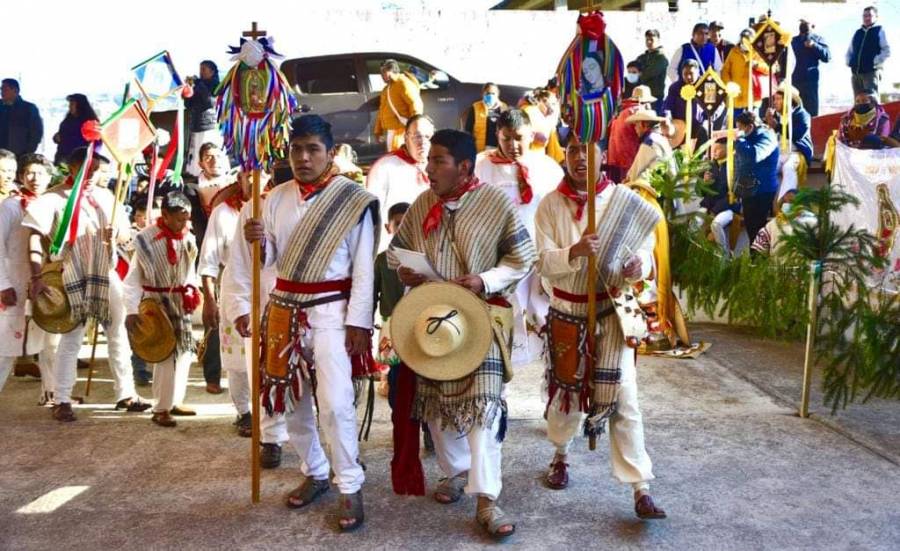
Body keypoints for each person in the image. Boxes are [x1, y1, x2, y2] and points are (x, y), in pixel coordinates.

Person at [389, 128, 536, 540]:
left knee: (484, 409)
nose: (429, 167)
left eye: (439, 161)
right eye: (429, 160)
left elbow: (523, 255)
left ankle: (487, 498)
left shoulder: (495, 203)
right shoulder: (421, 204)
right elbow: (396, 249)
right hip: (433, 318)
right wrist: (404, 269)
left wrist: (485, 279)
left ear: (464, 166)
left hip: (482, 316)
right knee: (436, 408)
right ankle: (455, 472)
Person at [238, 114, 378, 531]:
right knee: (290, 403)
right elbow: (268, 263)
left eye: (313, 149)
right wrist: (258, 243)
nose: (303, 157)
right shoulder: (272, 199)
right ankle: (315, 470)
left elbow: (365, 268)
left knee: (335, 403)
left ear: (330, 152)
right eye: (296, 149)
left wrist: (360, 323)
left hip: (333, 311)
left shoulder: (353, 200)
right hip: (284, 311)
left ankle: (349, 485)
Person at [535, 133, 664, 520]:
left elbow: (642, 255)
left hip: (610, 313)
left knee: (624, 398)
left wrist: (637, 267)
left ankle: (641, 487)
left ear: (601, 153)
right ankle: (561, 455)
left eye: (586, 148)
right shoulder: (549, 205)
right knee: (567, 395)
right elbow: (541, 261)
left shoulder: (622, 201)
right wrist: (573, 252)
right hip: (567, 313)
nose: (579, 157)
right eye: (572, 149)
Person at [24, 147, 150, 422]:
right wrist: (36, 276)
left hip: (105, 271)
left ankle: (125, 393)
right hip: (70, 272)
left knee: (118, 333)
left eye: (96, 171)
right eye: (86, 170)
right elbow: (34, 237)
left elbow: (126, 236)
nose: (92, 175)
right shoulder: (53, 198)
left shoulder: (107, 196)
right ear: (71, 168)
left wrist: (117, 233)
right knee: (72, 338)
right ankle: (62, 399)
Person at [475, 109, 561, 366]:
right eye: (506, 138)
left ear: (531, 135)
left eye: (519, 138)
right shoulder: (482, 166)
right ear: (497, 136)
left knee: (545, 324)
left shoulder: (547, 167)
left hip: (538, 256)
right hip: (499, 259)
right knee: (499, 325)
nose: (513, 145)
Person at [199, 169, 270, 434]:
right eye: (248, 175)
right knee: (238, 360)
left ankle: (269, 415)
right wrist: (209, 299)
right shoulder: (223, 213)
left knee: (268, 358)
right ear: (239, 178)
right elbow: (208, 260)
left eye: (260, 175)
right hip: (235, 289)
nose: (254, 180)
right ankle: (244, 412)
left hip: (269, 290)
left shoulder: (275, 206)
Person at [124, 191, 199, 428]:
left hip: (181, 300)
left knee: (185, 352)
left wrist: (194, 291)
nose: (184, 224)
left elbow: (189, 270)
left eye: (187, 219)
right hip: (156, 303)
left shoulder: (189, 237)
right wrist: (131, 310)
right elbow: (133, 278)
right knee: (164, 355)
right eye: (179, 219)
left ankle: (176, 400)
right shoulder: (145, 240)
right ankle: (161, 408)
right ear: (165, 215)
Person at [0, 154, 58, 403]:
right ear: (22, 176)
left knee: (51, 343)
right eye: (30, 173)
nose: (35, 179)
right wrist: (3, 284)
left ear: (50, 177)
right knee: (6, 349)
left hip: (46, 284)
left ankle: (53, 393)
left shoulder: (52, 203)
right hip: (14, 283)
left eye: (41, 173)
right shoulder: (10, 206)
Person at [366, 114, 434, 250]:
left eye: (428, 137)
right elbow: (371, 214)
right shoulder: (385, 166)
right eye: (417, 136)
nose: (422, 142)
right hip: (393, 248)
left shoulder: (437, 166)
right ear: (406, 137)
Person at [761, 85, 813, 199]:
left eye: (779, 99)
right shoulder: (774, 116)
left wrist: (777, 126)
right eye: (774, 99)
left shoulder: (802, 114)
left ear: (790, 100)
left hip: (796, 153)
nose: (775, 102)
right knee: (766, 168)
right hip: (778, 153)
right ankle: (766, 204)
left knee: (789, 168)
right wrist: (765, 124)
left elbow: (798, 134)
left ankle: (784, 205)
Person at [733, 111, 779, 242]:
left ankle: (760, 259)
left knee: (758, 228)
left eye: (740, 128)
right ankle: (754, 258)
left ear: (750, 127)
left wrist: (740, 139)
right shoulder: (748, 137)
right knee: (751, 228)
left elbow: (753, 156)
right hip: (748, 189)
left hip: (762, 189)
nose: (738, 131)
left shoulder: (767, 136)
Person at [700, 139, 745, 257]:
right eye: (713, 149)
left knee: (716, 224)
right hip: (710, 205)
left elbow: (735, 194)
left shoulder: (735, 166)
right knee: (693, 223)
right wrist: (704, 183)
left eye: (718, 149)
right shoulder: (711, 165)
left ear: (727, 149)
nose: (714, 152)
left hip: (729, 206)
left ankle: (724, 255)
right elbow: (702, 193)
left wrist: (714, 211)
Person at [607, 85, 656, 182]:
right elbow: (649, 133)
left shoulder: (622, 111)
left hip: (613, 159)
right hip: (627, 161)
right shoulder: (638, 111)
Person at [374, 59, 424, 152]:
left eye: (383, 72)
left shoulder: (403, 83)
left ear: (391, 71)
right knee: (395, 155)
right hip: (392, 130)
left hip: (401, 129)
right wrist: (378, 131)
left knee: (397, 156)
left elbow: (415, 103)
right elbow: (382, 110)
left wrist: (415, 126)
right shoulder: (387, 89)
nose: (381, 76)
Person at [185, 61, 223, 177]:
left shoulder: (216, 85)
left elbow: (210, 101)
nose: (201, 72)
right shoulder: (199, 85)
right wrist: (188, 90)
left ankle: (211, 173)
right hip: (197, 124)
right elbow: (189, 105)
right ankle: (195, 175)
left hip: (208, 125)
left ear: (212, 71)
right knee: (196, 153)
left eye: (204, 70)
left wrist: (199, 84)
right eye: (200, 69)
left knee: (207, 152)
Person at [722, 29, 770, 115]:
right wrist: (729, 85)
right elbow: (725, 71)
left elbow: (769, 69)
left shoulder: (758, 52)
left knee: (752, 126)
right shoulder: (734, 52)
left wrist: (757, 65)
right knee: (736, 126)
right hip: (736, 99)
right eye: (743, 39)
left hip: (753, 99)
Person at [662, 59, 708, 148]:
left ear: (698, 72)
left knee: (704, 132)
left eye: (691, 74)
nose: (688, 77)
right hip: (680, 125)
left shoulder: (706, 85)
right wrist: (667, 118)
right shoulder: (675, 87)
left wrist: (708, 118)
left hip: (699, 124)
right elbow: (667, 106)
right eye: (685, 74)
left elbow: (717, 105)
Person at [846, 6, 891, 95]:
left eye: (869, 15)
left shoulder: (879, 30)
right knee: (859, 103)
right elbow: (850, 51)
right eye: (864, 16)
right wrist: (849, 62)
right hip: (856, 74)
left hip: (871, 73)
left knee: (871, 101)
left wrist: (875, 61)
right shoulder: (858, 33)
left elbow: (887, 50)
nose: (867, 18)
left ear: (876, 17)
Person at [791, 20, 831, 117]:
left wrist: (814, 45)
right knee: (794, 111)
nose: (805, 24)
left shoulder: (817, 39)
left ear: (813, 25)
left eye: (807, 22)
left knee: (811, 112)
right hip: (794, 81)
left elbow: (827, 57)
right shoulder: (792, 41)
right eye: (803, 21)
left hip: (810, 82)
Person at [624, 110, 675, 184]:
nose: (635, 128)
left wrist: (627, 181)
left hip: (658, 185)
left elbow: (636, 171)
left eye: (636, 124)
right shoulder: (660, 138)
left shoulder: (649, 141)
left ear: (643, 124)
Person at [0, 78, 43, 157]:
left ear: (15, 91)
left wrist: (28, 152)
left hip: (19, 155)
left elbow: (36, 132)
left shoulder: (29, 108)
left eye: (5, 89)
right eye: (1, 89)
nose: (2, 92)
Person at [53, 94, 99, 165]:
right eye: (70, 104)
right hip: (62, 158)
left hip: (79, 160)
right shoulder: (68, 120)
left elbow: (95, 143)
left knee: (74, 175)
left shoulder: (89, 122)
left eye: (72, 104)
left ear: (80, 106)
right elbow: (62, 133)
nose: (69, 107)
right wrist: (56, 137)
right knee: (61, 175)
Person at [465, 83, 508, 152]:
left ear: (498, 94)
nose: (490, 95)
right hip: (480, 148)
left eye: (493, 93)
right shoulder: (475, 107)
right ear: (483, 94)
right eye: (488, 93)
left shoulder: (504, 107)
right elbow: (468, 129)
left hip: (498, 147)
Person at [635, 29, 668, 112]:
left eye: (651, 40)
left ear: (658, 40)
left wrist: (639, 73)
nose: (649, 42)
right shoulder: (641, 57)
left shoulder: (661, 57)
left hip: (655, 97)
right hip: (641, 96)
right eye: (647, 39)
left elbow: (647, 74)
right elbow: (633, 70)